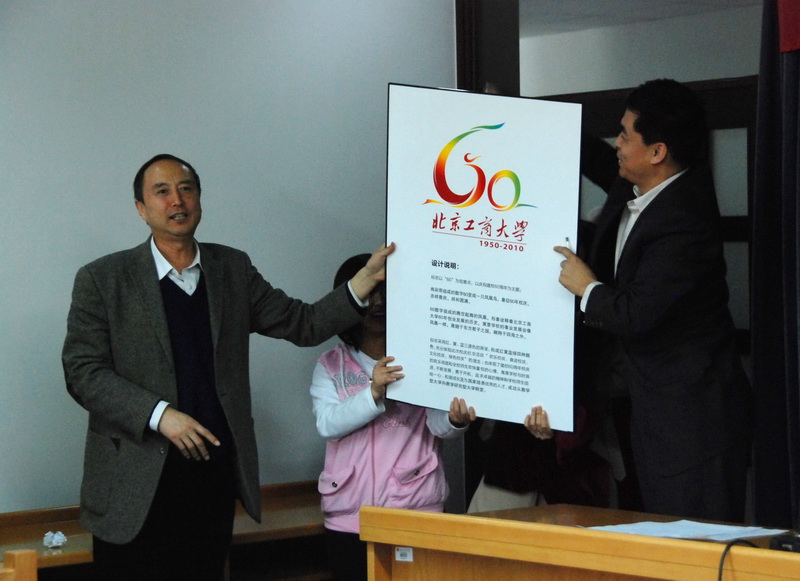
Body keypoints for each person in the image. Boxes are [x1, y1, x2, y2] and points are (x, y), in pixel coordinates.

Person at [61, 154, 393, 581]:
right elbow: (83, 372)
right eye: (162, 192)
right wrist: (160, 415)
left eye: (186, 189)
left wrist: (364, 280)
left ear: (199, 200)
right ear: (141, 208)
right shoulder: (103, 279)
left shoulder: (231, 269)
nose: (177, 200)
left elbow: (304, 323)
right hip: (133, 479)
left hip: (210, 477)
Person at [554, 79, 752, 521]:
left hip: (694, 423)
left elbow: (637, 313)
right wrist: (536, 121)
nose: (617, 144)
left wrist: (587, 287)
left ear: (658, 152)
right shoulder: (640, 185)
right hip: (650, 409)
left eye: (626, 135)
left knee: (695, 540)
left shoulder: (685, 219)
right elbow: (600, 159)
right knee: (659, 530)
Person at [311, 254, 476, 581]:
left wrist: (456, 421)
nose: (379, 302)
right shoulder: (330, 364)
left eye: (386, 291)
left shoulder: (423, 357)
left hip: (416, 511)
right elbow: (328, 424)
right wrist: (373, 392)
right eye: (369, 292)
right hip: (349, 517)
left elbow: (438, 425)